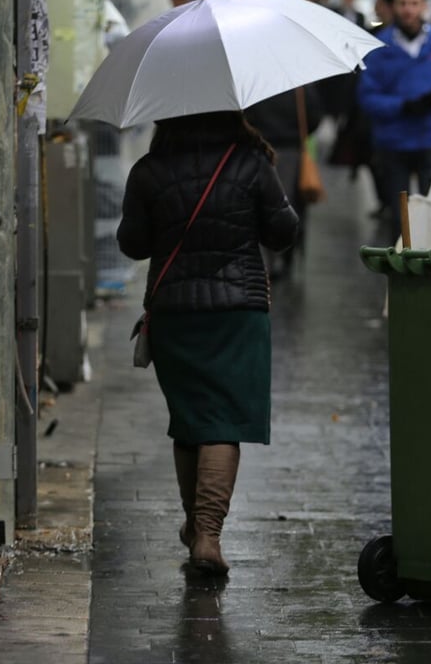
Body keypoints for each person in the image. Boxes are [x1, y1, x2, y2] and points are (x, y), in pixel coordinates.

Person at [117, 111, 299, 574]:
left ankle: (196, 528)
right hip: (239, 311)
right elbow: (283, 233)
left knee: (191, 418)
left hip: (176, 312)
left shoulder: (149, 170)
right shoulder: (251, 162)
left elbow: (133, 244)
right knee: (222, 421)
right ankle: (209, 537)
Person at [358, 0, 431, 241]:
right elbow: (366, 97)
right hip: (393, 143)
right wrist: (402, 105)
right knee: (400, 218)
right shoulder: (379, 48)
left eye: (414, 3)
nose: (408, 10)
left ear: (424, 6)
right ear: (394, 7)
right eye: (403, 3)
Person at [244, 84, 324, 280]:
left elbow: (247, 116)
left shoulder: (254, 83)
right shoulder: (298, 84)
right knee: (288, 202)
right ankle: (285, 252)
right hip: (291, 149)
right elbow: (314, 116)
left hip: (261, 148)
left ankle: (268, 260)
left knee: (262, 203)